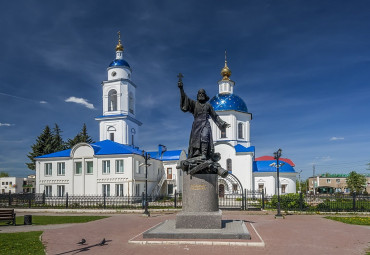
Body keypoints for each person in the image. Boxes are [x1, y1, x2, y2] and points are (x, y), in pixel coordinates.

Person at [178, 75, 230, 160]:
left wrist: (222, 123)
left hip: (205, 123)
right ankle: (197, 154)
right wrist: (181, 89)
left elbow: (214, 116)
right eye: (199, 93)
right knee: (196, 140)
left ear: (205, 95)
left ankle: (204, 154)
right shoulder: (194, 104)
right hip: (197, 124)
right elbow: (185, 99)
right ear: (198, 95)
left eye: (202, 93)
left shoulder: (208, 105)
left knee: (205, 136)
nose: (201, 95)